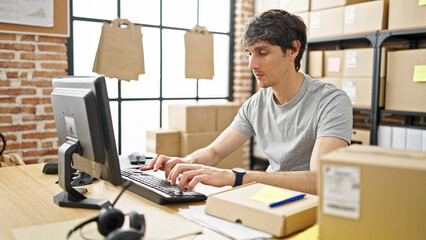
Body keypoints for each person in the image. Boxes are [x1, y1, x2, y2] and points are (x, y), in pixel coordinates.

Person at [141, 9, 352, 195]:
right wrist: (186, 163)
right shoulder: (255, 104)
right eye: (249, 53)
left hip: (310, 205)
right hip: (269, 195)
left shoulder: (331, 101)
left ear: (293, 50)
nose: (252, 64)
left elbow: (319, 181)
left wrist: (237, 177)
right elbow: (214, 152)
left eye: (262, 52)